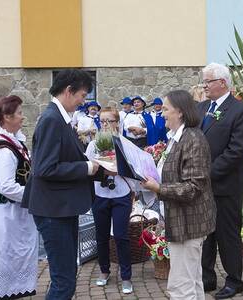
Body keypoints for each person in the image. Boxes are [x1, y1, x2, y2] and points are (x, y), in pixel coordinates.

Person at [22, 69, 103, 300]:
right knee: (64, 280)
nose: (83, 101)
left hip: (60, 207)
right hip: (52, 211)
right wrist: (86, 168)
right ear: (69, 91)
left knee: (66, 275)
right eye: (83, 95)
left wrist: (93, 165)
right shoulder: (52, 120)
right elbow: (45, 168)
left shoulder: (60, 119)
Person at [141, 90, 216, 300]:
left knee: (180, 287)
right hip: (179, 219)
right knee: (191, 281)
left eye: (165, 109)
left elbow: (193, 186)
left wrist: (158, 188)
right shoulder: (175, 138)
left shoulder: (193, 139)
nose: (162, 113)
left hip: (188, 223)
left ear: (180, 112)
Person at [198, 63, 243, 299]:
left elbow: (236, 151)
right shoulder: (200, 108)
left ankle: (234, 280)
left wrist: (207, 173)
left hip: (224, 185)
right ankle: (207, 277)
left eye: (208, 81)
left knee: (227, 234)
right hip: (201, 186)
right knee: (206, 234)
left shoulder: (240, 111)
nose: (204, 85)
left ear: (222, 82)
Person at [85, 107, 134, 294]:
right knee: (102, 236)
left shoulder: (124, 144)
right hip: (100, 195)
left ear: (117, 123)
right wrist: (101, 170)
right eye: (102, 121)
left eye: (109, 121)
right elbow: (87, 167)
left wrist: (118, 171)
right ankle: (104, 271)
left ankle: (126, 276)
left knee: (121, 236)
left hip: (121, 194)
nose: (105, 125)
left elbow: (133, 170)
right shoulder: (93, 144)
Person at [0, 95, 38, 299]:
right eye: (19, 113)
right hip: (7, 212)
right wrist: (35, 195)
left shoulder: (13, 141)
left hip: (17, 211)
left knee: (16, 253)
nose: (23, 117)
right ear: (6, 117)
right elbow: (5, 186)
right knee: (7, 253)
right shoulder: (4, 149)